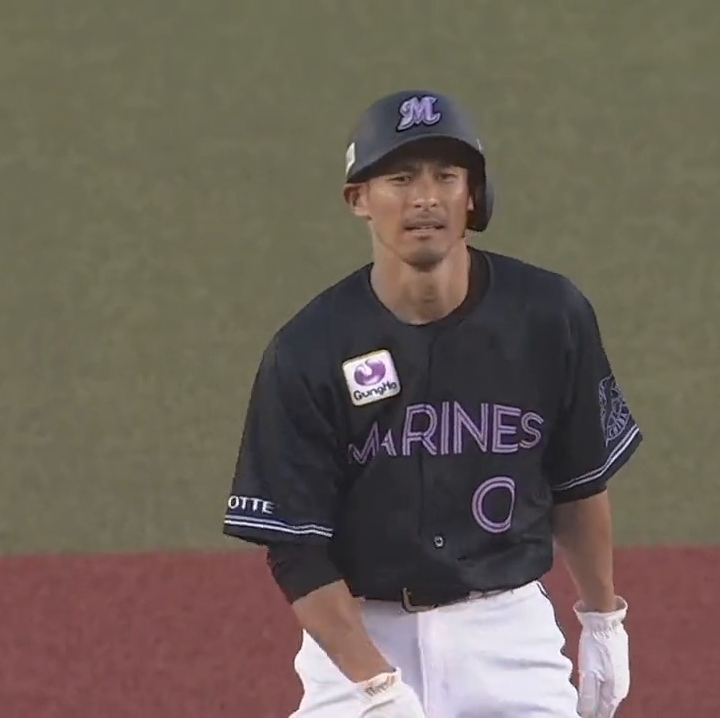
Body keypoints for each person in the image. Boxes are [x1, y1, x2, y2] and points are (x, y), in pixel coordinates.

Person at [221, 90, 641, 718]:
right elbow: (296, 548)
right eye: (400, 178)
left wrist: (603, 618)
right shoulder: (308, 349)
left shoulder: (549, 317)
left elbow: (579, 483)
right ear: (359, 198)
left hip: (508, 635)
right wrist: (376, 687)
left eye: (446, 176)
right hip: (361, 634)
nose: (425, 198)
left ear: (473, 195)